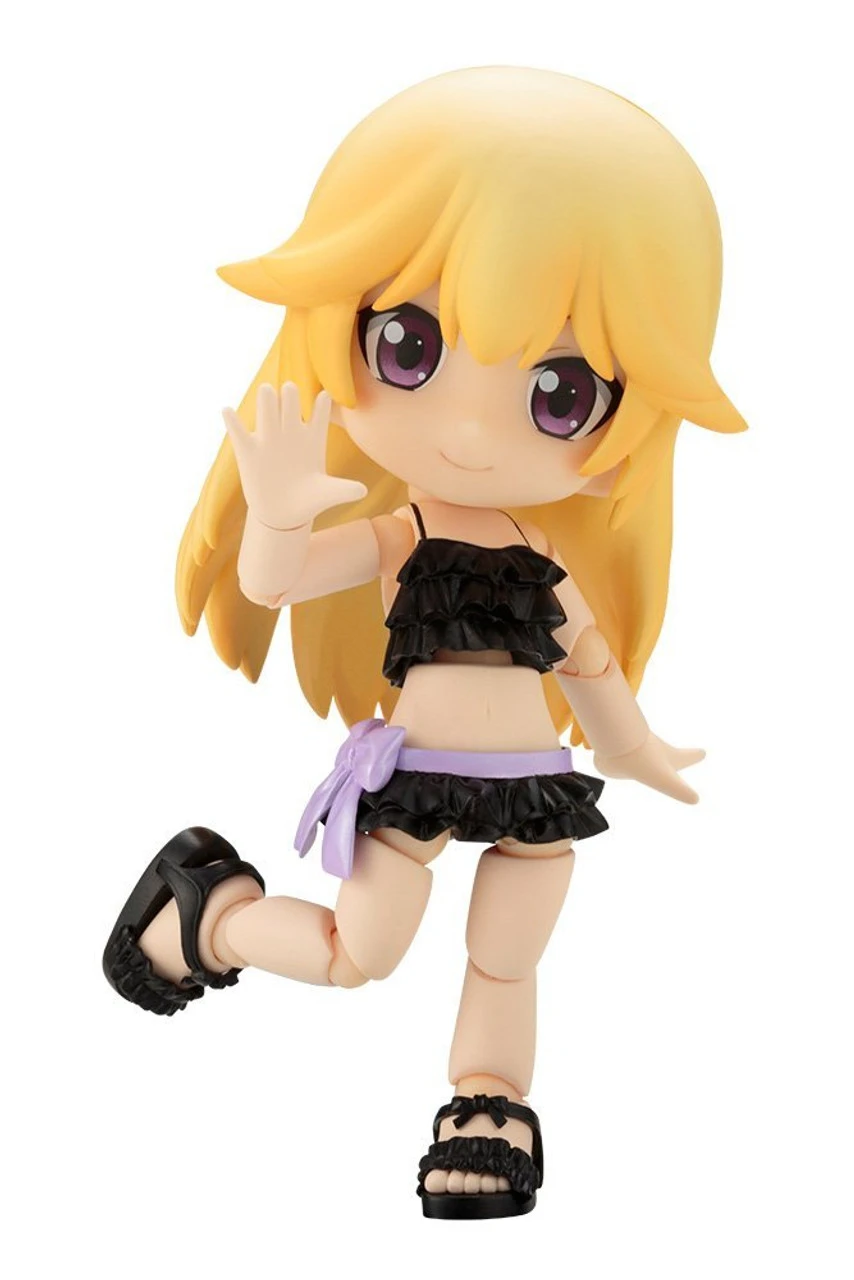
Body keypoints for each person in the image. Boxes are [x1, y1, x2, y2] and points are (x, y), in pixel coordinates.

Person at [104, 66, 745, 1219]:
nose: (467, 429)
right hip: (414, 778)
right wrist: (280, 511)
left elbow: (590, 663)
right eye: (408, 345)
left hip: (533, 785)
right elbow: (278, 581)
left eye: (558, 392)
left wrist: (631, 747)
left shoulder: (543, 559)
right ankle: (209, 917)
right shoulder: (399, 532)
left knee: (509, 951)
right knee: (357, 953)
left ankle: (487, 1102)